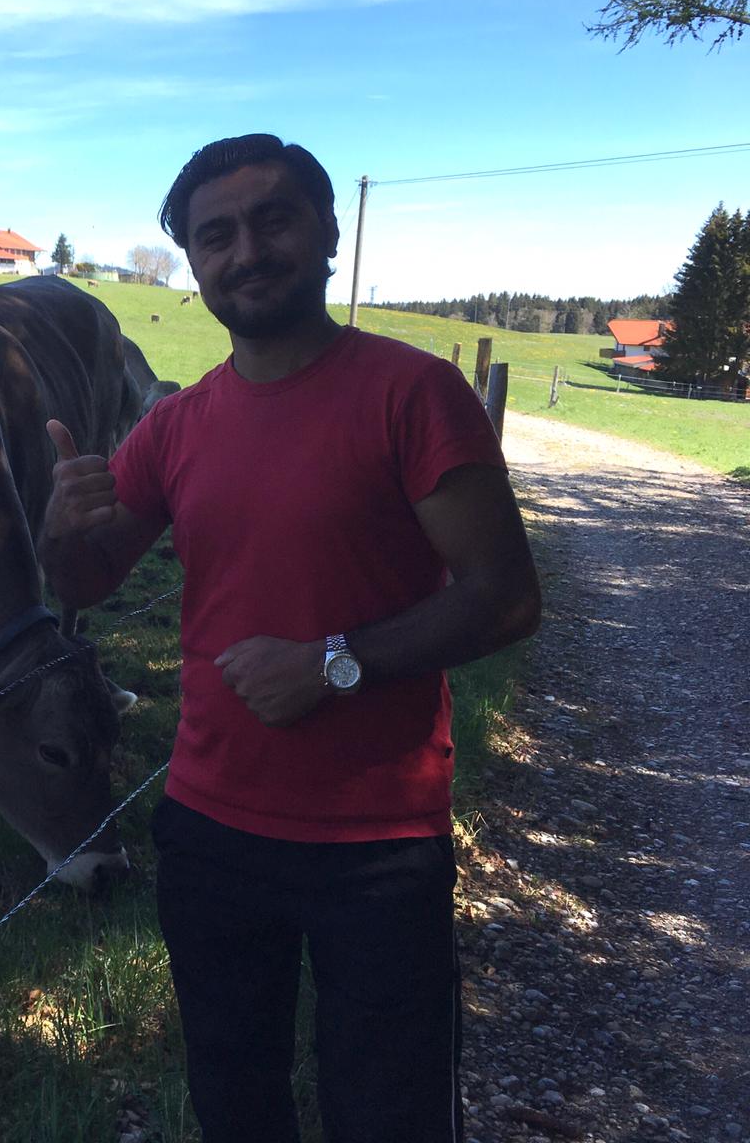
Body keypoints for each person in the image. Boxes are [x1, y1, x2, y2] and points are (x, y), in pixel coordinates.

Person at [39, 134, 541, 1141]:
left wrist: (332, 664)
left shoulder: (410, 393)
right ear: (193, 265)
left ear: (326, 234)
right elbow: (87, 579)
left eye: (273, 219)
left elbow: (504, 598)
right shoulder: (178, 426)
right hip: (209, 830)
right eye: (213, 236)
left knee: (387, 1110)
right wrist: (60, 526)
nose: (245, 250)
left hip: (378, 841)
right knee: (234, 1100)